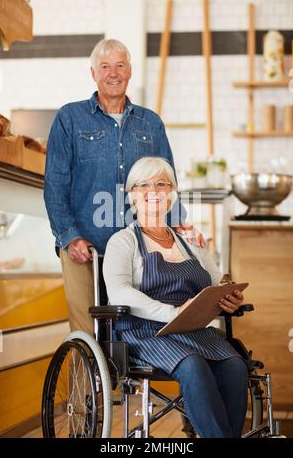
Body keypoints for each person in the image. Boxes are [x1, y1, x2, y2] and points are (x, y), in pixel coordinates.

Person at [44, 38, 204, 335]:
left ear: (129, 71)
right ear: (93, 73)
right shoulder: (70, 118)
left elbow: (167, 182)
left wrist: (179, 228)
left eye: (119, 65)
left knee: (134, 328)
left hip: (140, 248)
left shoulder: (150, 123)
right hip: (85, 247)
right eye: (105, 66)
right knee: (87, 333)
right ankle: (89, 383)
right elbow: (55, 183)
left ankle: (123, 384)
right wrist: (69, 237)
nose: (113, 72)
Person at [103, 156, 248, 438]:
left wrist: (232, 295)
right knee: (193, 366)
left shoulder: (190, 239)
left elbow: (218, 280)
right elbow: (119, 292)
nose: (154, 191)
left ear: (172, 194)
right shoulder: (123, 241)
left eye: (162, 184)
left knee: (235, 367)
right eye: (144, 185)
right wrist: (173, 313)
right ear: (132, 194)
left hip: (192, 330)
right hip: (146, 332)